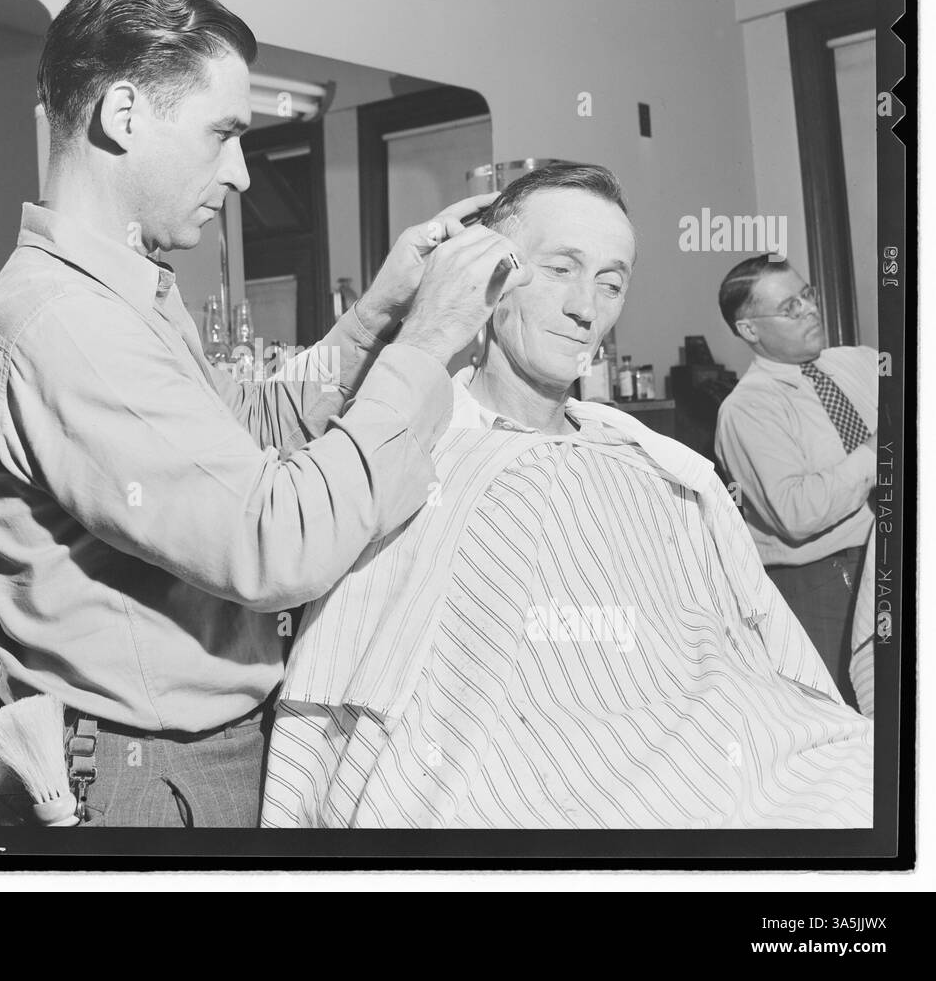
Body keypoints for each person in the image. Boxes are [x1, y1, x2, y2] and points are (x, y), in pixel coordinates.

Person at [0, 0, 522, 827]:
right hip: (142, 779)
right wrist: (430, 339)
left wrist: (377, 318)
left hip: (186, 755)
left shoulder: (124, 293)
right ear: (123, 115)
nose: (243, 173)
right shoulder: (65, 327)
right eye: (223, 134)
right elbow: (272, 536)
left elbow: (245, 432)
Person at [262, 163, 872, 829]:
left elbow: (742, 655)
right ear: (488, 278)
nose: (588, 307)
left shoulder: (660, 470)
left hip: (722, 751)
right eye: (561, 269)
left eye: (611, 282)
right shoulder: (409, 456)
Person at [714, 255, 878, 706]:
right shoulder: (747, 408)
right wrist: (875, 453)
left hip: (884, 561)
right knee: (845, 723)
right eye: (791, 307)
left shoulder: (859, 364)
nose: (810, 309)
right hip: (825, 586)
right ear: (750, 330)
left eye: (807, 295)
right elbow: (796, 512)